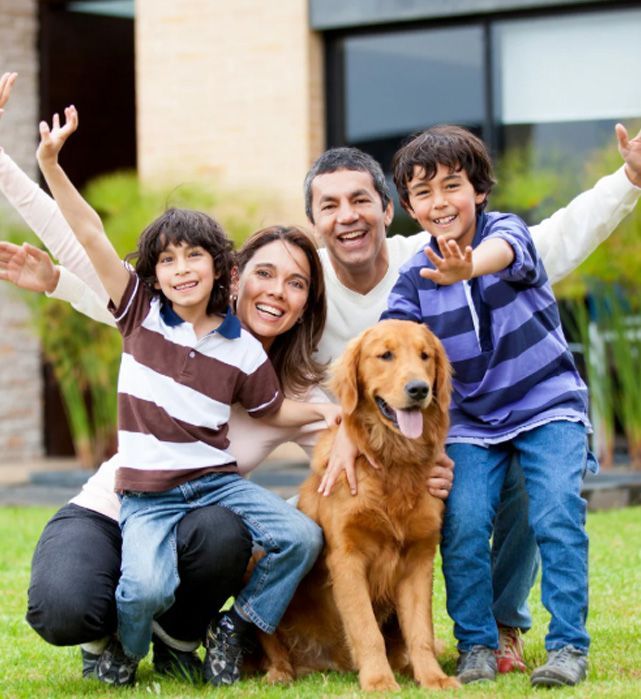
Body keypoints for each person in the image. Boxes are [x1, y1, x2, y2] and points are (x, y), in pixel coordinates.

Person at [2, 68, 640, 677]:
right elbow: (96, 262)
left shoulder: (398, 283)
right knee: (67, 606)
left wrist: (628, 182)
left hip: (207, 509)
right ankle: (120, 628)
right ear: (241, 271)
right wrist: (50, 260)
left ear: (388, 209)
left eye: (361, 200)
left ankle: (497, 626)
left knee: (506, 479)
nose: (278, 291)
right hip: (123, 501)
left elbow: (547, 243)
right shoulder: (195, 315)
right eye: (329, 205)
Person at [34, 105, 343, 687]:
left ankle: (239, 626)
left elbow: (272, 410)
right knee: (144, 586)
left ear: (221, 267)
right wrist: (51, 164)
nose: (181, 269)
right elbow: (90, 236)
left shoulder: (243, 350)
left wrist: (332, 412)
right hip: (146, 494)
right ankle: (122, 650)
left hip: (214, 485)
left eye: (193, 256)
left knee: (302, 536)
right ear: (153, 274)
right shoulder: (139, 315)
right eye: (167, 260)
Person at [383, 124, 595, 687]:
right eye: (423, 193)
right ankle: (476, 643)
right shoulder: (411, 278)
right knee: (466, 523)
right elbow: (390, 344)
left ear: (478, 190)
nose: (439, 202)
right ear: (409, 206)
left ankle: (569, 645)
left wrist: (467, 266)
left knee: (555, 512)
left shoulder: (506, 232)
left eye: (452, 186)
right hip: (472, 422)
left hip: (546, 402)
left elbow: (504, 254)